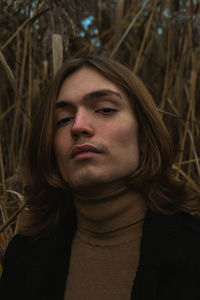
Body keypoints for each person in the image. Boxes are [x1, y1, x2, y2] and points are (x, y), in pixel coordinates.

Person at [0, 55, 200, 300]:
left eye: (105, 109)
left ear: (144, 132)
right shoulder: (24, 256)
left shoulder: (192, 249)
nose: (78, 126)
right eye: (63, 120)